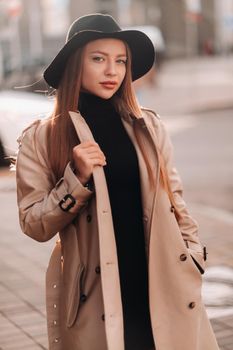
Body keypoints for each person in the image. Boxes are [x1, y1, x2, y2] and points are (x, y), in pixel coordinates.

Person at [16, 13, 219, 350]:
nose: (112, 71)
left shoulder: (147, 127)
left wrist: (193, 255)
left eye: (120, 61)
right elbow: (33, 224)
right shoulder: (43, 138)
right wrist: (76, 179)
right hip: (97, 295)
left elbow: (175, 200)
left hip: (163, 281)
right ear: (74, 65)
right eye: (98, 59)